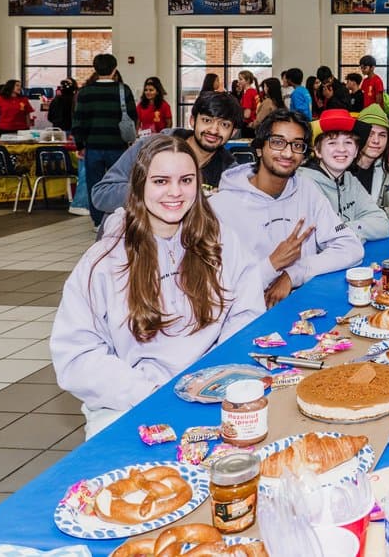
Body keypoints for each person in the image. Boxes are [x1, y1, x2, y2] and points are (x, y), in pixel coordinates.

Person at [51, 135, 265, 439]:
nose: (175, 192)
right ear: (139, 186)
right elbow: (76, 355)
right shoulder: (103, 261)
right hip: (130, 404)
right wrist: (150, 393)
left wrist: (215, 374)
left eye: (186, 180)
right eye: (161, 181)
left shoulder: (222, 242)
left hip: (213, 391)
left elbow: (247, 313)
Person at [209, 108, 363, 308]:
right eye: (278, 142)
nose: (288, 153)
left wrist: (293, 273)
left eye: (297, 145)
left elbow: (350, 247)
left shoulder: (306, 190)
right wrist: (272, 265)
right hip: (245, 317)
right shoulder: (221, 206)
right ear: (259, 148)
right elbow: (214, 288)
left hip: (303, 307)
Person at [92, 90, 240, 217]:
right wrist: (153, 191)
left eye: (224, 124)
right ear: (192, 120)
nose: (214, 130)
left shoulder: (229, 174)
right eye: (207, 120)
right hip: (135, 241)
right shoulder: (150, 147)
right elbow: (102, 194)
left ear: (233, 132)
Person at [298, 108, 389, 243]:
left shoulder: (349, 179)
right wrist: (359, 231)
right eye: (332, 143)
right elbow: (319, 239)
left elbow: (383, 225)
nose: (341, 149)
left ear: (356, 151)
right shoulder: (304, 184)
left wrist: (343, 228)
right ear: (317, 151)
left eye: (348, 142)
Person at [73, 53, 138, 230]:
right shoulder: (124, 90)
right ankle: (121, 217)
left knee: (95, 184)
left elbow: (78, 121)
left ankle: (98, 221)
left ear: (95, 69)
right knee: (121, 182)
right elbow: (133, 117)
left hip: (93, 146)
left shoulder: (85, 92)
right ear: (114, 69)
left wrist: (80, 145)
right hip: (118, 146)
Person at [236, 70, 260, 135]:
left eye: (241, 79)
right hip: (255, 122)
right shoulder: (253, 91)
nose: (239, 81)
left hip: (249, 124)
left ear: (248, 80)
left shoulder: (248, 93)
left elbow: (247, 115)